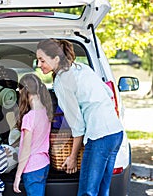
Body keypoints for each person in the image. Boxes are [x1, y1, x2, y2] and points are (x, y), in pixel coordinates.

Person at [36, 38, 124, 196]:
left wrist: (72, 156)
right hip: (116, 133)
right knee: (103, 190)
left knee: (87, 192)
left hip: (99, 136)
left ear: (56, 59)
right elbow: (108, 92)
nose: (38, 64)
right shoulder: (81, 68)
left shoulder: (62, 81)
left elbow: (78, 125)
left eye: (42, 60)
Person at [13, 74, 53, 196]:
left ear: (23, 91)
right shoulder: (46, 112)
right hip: (44, 163)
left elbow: (26, 149)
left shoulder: (29, 117)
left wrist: (17, 175)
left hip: (32, 168)